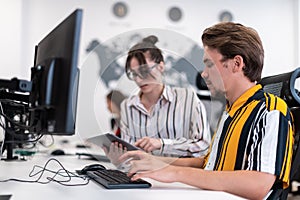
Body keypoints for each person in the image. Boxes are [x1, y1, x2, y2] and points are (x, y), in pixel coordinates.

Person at [118, 22, 294, 199]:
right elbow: (208, 163)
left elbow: (258, 184)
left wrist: (174, 173)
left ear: (236, 63)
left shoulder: (271, 110)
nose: (204, 73)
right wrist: (157, 162)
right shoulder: (231, 111)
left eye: (209, 64)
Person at [119, 35, 211, 157]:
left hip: (178, 174)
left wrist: (162, 144)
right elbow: (129, 154)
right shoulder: (127, 106)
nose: (139, 80)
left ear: (161, 66)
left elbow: (203, 146)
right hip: (141, 174)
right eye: (134, 74)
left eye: (144, 71)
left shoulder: (187, 99)